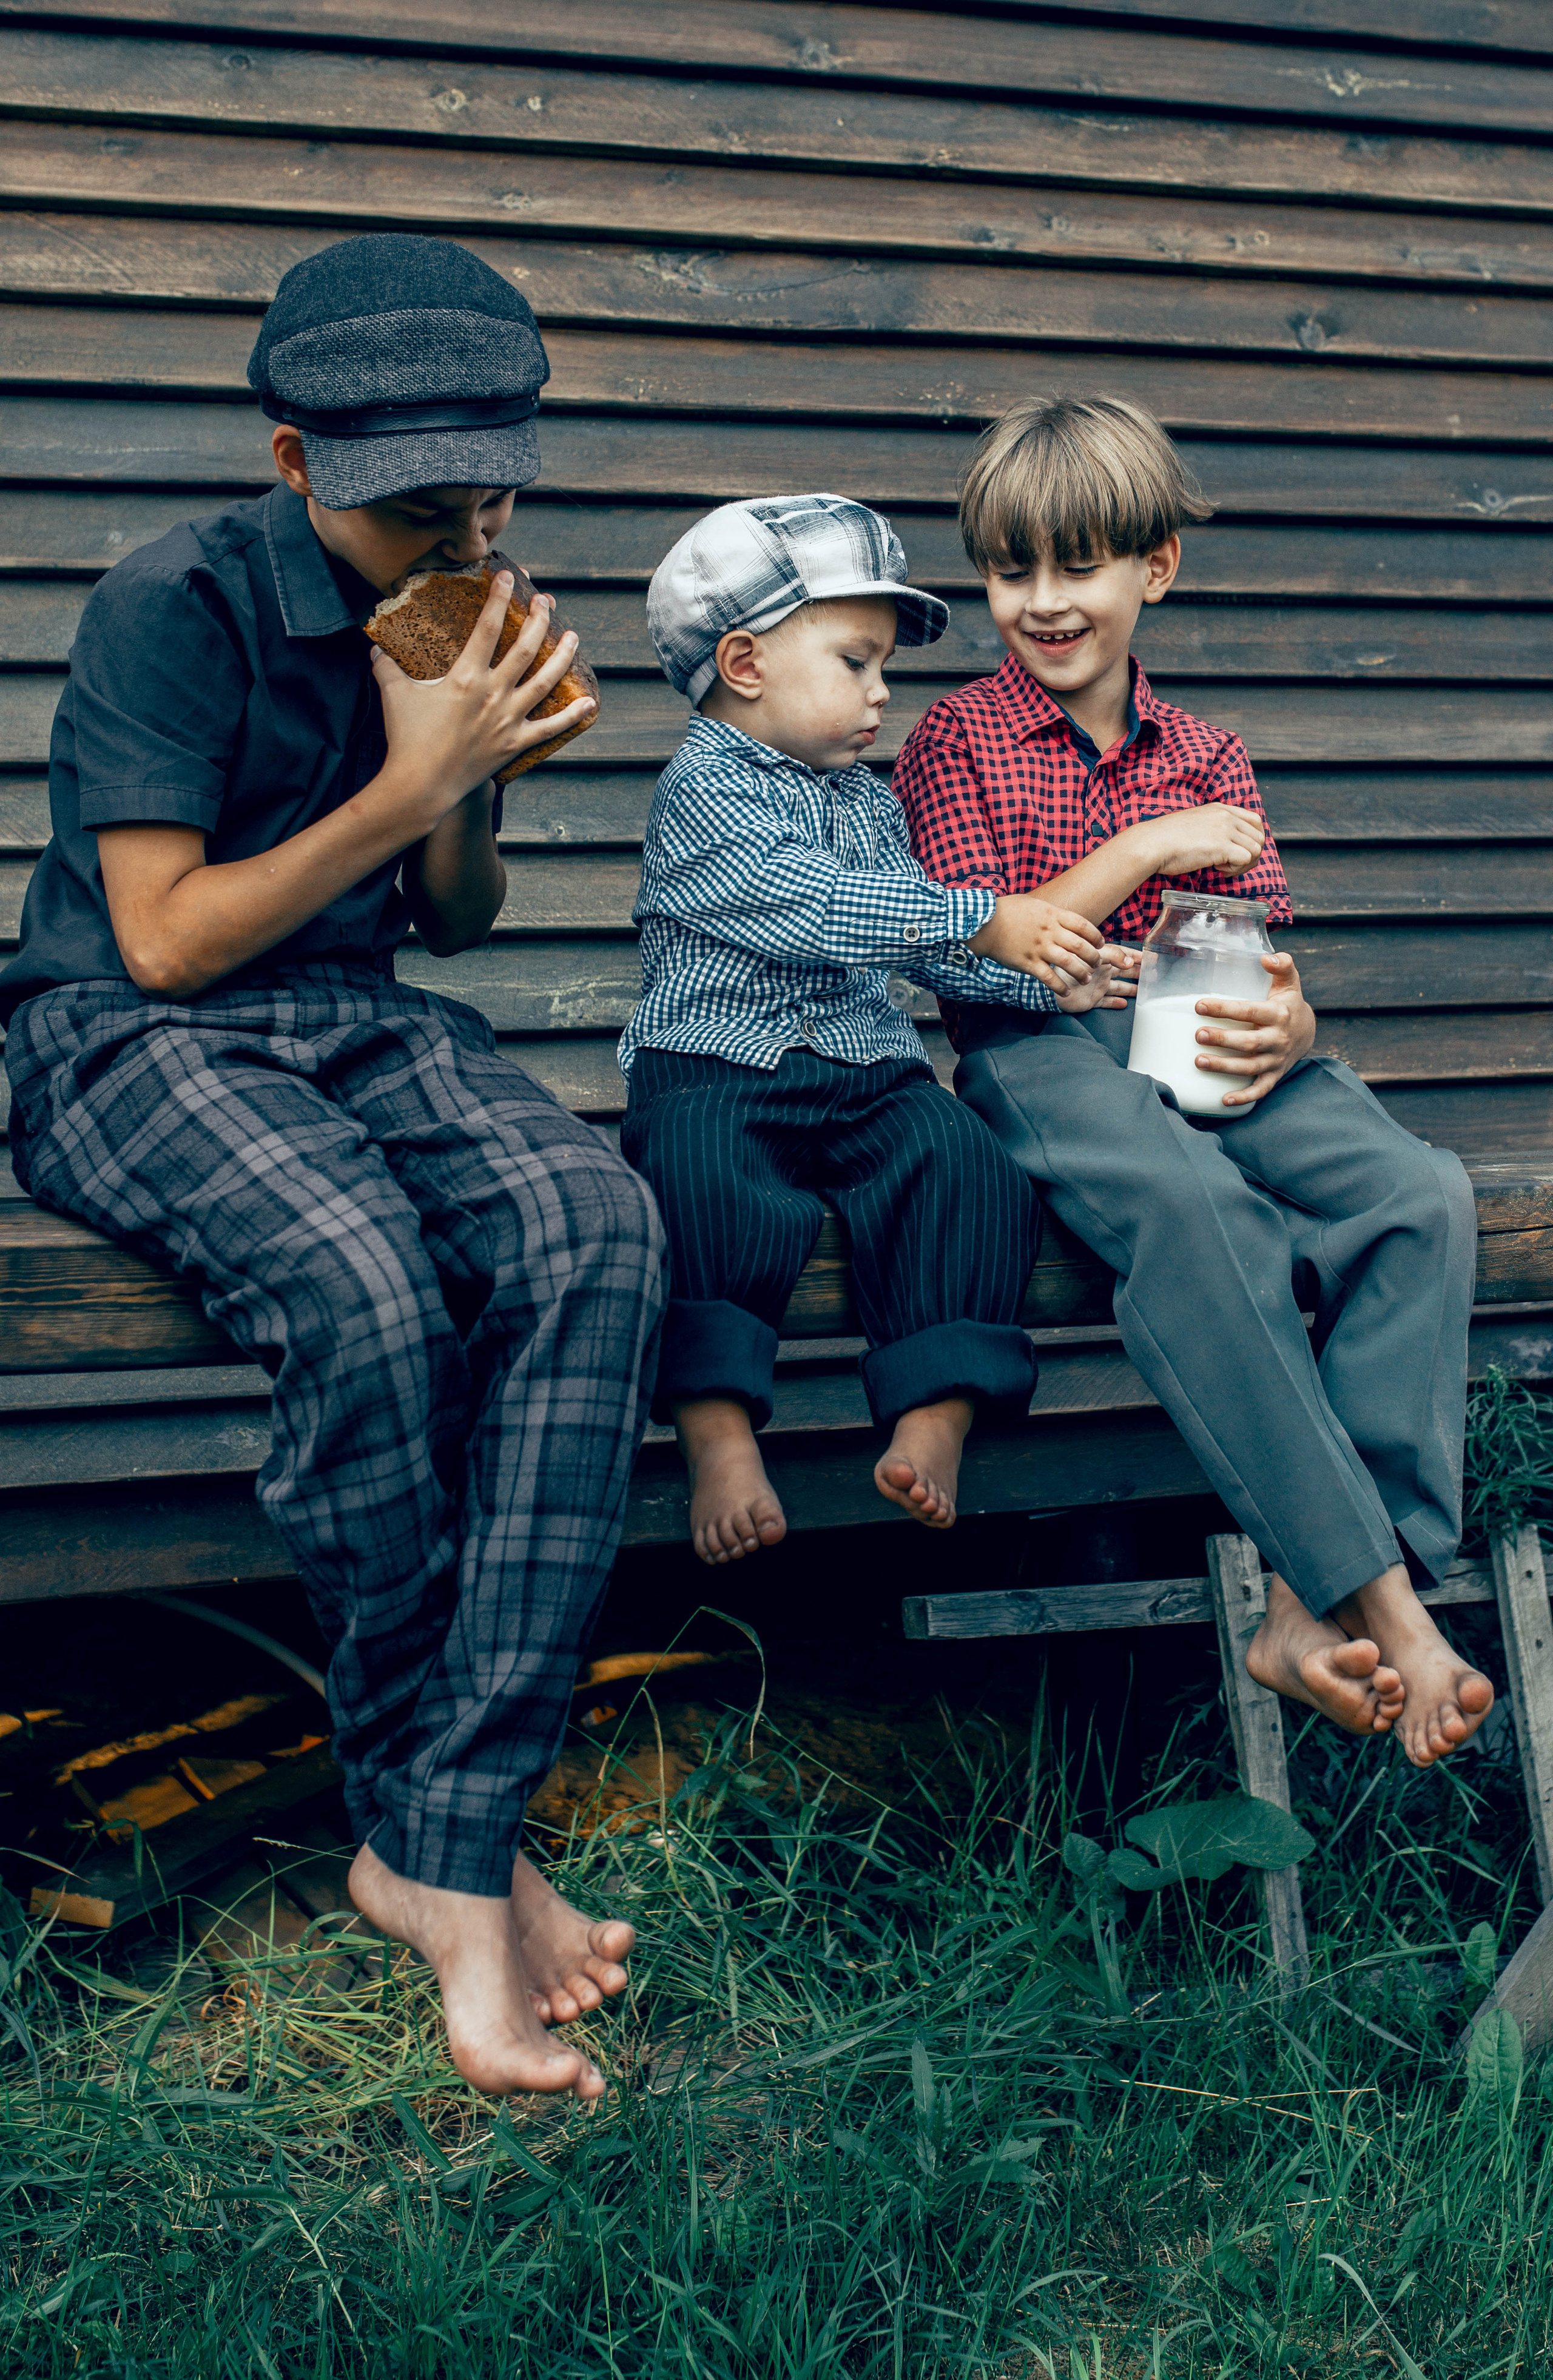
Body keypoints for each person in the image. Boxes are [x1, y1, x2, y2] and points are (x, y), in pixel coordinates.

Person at [0, 235, 666, 2099]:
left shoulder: (471, 595)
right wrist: (404, 775)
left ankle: (441, 1836)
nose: (458, 542)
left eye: (485, 498)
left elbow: (447, 925)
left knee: (594, 1229)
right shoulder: (173, 606)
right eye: (413, 512)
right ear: (298, 463)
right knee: (362, 1282)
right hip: (122, 1036)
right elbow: (162, 943)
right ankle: (450, 1852)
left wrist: (473, 771)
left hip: (355, 1016)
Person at [893, 394, 1493, 1770]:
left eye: (1077, 565)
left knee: (1418, 1194)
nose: (1041, 602)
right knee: (1206, 1216)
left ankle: (1302, 1603)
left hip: (1193, 1032)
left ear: (1151, 569)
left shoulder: (1210, 751)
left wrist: (1290, 1017)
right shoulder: (953, 742)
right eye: (1008, 571)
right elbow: (980, 956)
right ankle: (1393, 1610)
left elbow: (1241, 949)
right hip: (1036, 1054)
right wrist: (1146, 845)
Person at [618, 493, 1122, 1565]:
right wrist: (984, 913)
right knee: (698, 1180)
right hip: (717, 1067)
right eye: (856, 662)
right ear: (745, 664)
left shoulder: (865, 799)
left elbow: (907, 935)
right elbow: (801, 902)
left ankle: (935, 1415)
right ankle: (717, 1434)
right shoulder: (702, 789)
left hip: (863, 1068)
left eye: (883, 665)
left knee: (964, 1165)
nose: (881, 692)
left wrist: (1051, 976)